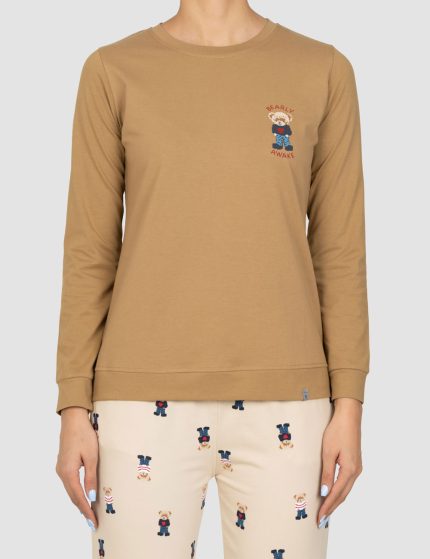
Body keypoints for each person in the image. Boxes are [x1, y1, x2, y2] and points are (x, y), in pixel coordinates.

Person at [55, 1, 369, 558]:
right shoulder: (112, 71)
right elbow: (90, 251)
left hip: (289, 404)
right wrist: (73, 405)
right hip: (138, 404)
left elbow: (340, 252)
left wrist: (349, 404)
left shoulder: (322, 70)